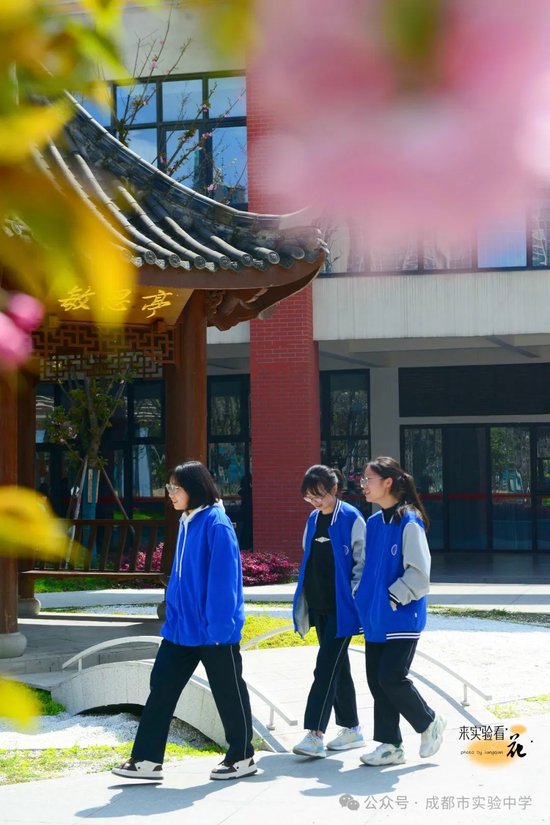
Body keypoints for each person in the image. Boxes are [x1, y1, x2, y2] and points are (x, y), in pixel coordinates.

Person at [113, 460, 256, 782]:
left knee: (228, 692)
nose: (170, 494)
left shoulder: (216, 523)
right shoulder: (187, 520)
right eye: (169, 488)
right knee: (161, 687)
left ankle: (242, 756)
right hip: (181, 631)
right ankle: (147, 759)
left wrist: (219, 628)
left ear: (194, 488)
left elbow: (224, 582)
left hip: (214, 632)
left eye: (175, 488)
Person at [354, 456, 446, 767]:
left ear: (388, 482)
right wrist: (362, 598)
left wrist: (393, 598)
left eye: (368, 479)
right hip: (376, 617)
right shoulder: (373, 523)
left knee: (391, 677)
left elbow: (419, 574)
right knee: (376, 681)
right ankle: (390, 745)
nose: (363, 485)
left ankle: (429, 722)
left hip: (401, 617)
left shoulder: (410, 521)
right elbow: (365, 569)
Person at [292, 464, 366, 758]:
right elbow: (308, 556)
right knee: (338, 666)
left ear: (334, 489)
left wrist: (355, 596)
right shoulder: (312, 519)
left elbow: (363, 563)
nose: (315, 502)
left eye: (320, 495)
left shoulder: (352, 518)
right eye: (309, 497)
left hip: (343, 609)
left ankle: (315, 734)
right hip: (319, 604)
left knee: (324, 667)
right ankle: (352, 729)